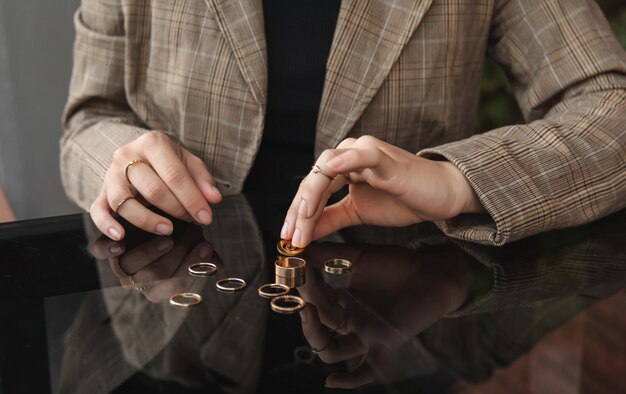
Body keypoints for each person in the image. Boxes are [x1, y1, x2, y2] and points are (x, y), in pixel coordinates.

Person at [61, 0, 626, 247]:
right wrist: (124, 159)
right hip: (176, 313)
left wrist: (459, 181)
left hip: (403, 322)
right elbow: (89, 119)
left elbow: (612, 111)